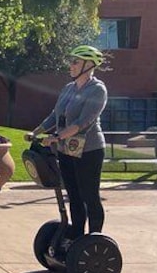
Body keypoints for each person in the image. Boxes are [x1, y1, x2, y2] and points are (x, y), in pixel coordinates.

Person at [28, 44, 108, 246]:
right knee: (72, 194)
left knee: (89, 194)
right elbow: (55, 115)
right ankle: (77, 235)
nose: (70, 65)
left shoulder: (97, 90)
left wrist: (56, 136)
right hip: (66, 149)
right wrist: (37, 131)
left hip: (89, 150)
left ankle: (94, 239)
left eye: (75, 62)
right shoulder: (68, 88)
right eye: (71, 61)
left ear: (89, 65)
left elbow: (83, 122)